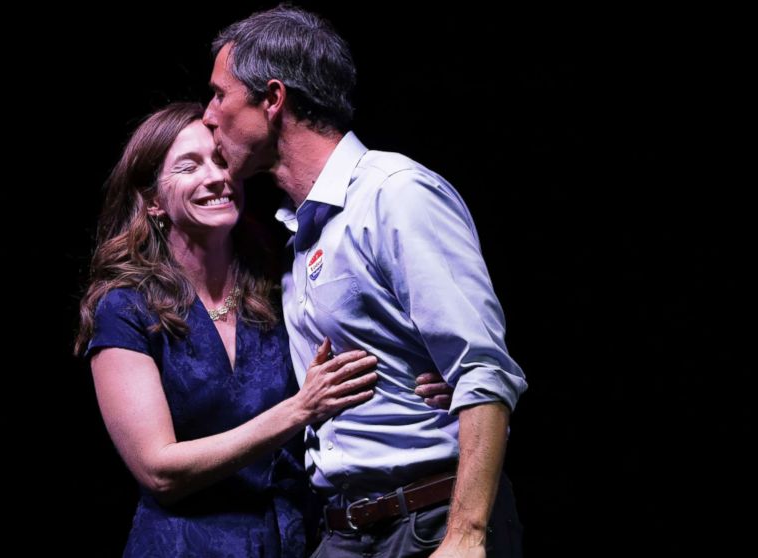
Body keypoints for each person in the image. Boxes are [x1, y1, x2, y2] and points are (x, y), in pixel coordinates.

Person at [203, 6, 529, 557]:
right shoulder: (297, 233)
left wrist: (466, 536)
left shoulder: (394, 193)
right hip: (346, 531)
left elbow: (483, 367)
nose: (208, 115)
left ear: (273, 98)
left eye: (218, 95)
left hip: (430, 522)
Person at [73, 102, 453, 557]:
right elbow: (159, 471)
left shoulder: (281, 279)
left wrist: (437, 383)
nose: (215, 177)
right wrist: (297, 410)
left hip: (296, 539)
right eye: (189, 166)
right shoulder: (126, 307)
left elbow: (360, 363)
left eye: (220, 160)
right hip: (186, 546)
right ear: (153, 200)